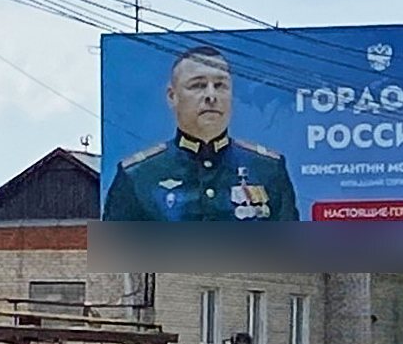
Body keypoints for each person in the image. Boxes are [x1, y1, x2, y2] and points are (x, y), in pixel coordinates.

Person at [104, 45, 300, 223]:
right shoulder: (138, 176)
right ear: (172, 96)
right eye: (198, 85)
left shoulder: (268, 169)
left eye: (220, 85)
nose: (211, 96)